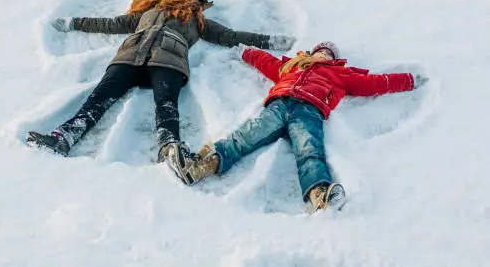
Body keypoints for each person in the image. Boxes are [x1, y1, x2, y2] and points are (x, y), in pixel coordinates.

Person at [26, 0, 296, 182]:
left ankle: (169, 146)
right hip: (129, 57)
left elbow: (231, 36)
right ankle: (64, 137)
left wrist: (268, 41)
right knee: (99, 97)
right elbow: (109, 24)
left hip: (169, 61)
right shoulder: (147, 12)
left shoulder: (197, 19)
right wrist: (74, 22)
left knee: (166, 104)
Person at [178, 41, 428, 212]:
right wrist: (247, 52)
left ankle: (318, 192)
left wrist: (407, 79)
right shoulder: (294, 66)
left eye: (329, 54)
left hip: (310, 111)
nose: (324, 55)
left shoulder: (342, 74)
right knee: (247, 135)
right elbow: (267, 62)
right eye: (321, 51)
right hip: (279, 105)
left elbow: (374, 83)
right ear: (312, 52)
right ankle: (204, 165)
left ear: (334, 59)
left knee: (309, 149)